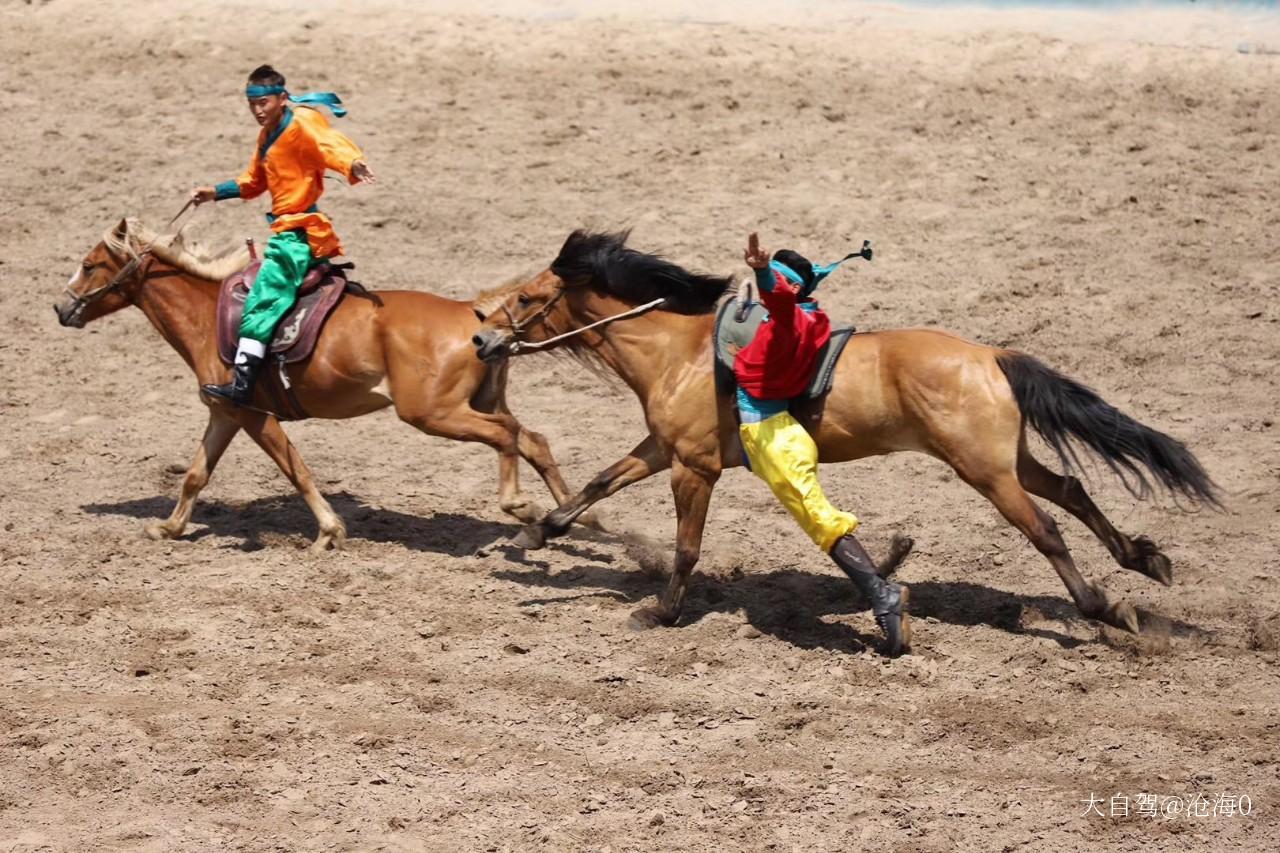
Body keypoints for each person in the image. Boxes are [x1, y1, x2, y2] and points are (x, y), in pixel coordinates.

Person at [735, 232, 910, 655]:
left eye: (776, 280)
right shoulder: (813, 316)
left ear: (788, 287)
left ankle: (884, 597)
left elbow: (776, 301)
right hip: (783, 429)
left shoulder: (786, 315)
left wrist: (760, 271)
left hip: (771, 434)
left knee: (820, 520)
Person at [191, 64, 376, 404]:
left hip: (297, 232)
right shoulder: (266, 136)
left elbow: (328, 143)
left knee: (264, 296)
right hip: (286, 227)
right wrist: (215, 192)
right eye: (252, 105)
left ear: (281, 99)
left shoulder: (302, 121)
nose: (258, 111)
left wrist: (352, 163)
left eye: (263, 103)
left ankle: (243, 386)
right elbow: (253, 182)